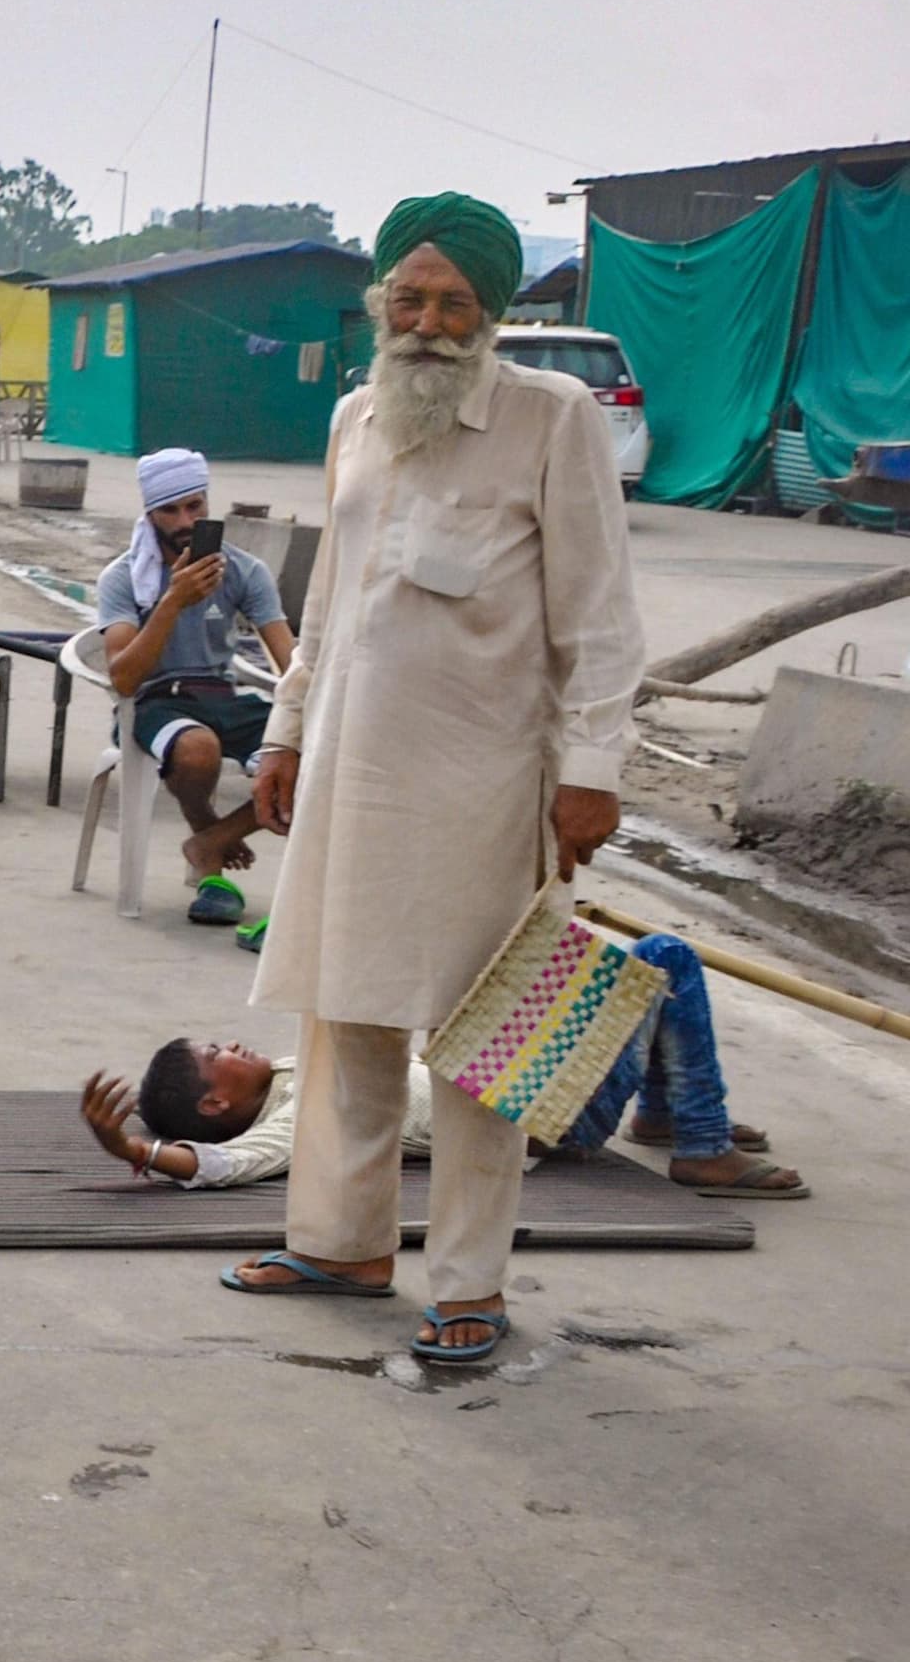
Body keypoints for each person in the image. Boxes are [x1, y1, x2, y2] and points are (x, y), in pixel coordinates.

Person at [234, 192, 649, 1366]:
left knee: (482, 1039)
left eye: (452, 301)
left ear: (492, 312)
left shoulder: (552, 418)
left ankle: (468, 1284)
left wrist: (593, 772)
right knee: (347, 1011)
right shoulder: (359, 417)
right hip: (352, 770)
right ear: (378, 305)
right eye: (406, 298)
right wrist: (284, 733)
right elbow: (326, 600)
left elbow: (603, 621)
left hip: (483, 781)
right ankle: (342, 1242)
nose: (425, 320)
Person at [84, 933, 803, 1200]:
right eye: (217, 1057)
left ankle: (666, 1111)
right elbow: (222, 1169)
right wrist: (134, 1150)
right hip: (542, 1120)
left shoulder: (287, 1069)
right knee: (666, 959)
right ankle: (701, 1145)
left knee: (589, 971)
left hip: (505, 1078)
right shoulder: (294, 1120)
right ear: (215, 1106)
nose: (231, 1044)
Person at [93, 447, 298, 927]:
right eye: (171, 510)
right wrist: (172, 601)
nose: (186, 520)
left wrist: (308, 711)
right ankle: (204, 827)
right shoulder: (124, 577)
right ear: (149, 513)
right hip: (153, 704)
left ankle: (209, 842)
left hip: (221, 695)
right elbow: (123, 678)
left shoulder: (245, 570)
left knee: (319, 754)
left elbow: (289, 660)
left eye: (195, 506)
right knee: (198, 748)